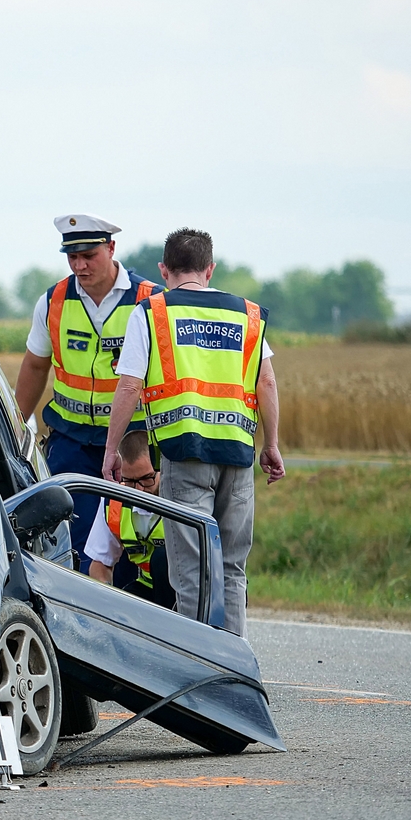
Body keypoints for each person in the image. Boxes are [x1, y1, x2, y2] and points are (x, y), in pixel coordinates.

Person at [103, 228, 285, 637]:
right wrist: (270, 445)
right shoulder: (247, 315)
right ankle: (234, 669)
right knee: (232, 570)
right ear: (210, 269)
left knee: (192, 573)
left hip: (185, 457)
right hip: (238, 456)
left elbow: (130, 386)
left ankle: (198, 674)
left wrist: (112, 449)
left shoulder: (152, 312)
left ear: (164, 270)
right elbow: (267, 383)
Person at [15, 214, 162, 571]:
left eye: (89, 255)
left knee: (133, 538)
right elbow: (36, 366)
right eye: (71, 256)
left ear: (111, 249)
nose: (79, 265)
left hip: (135, 442)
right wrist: (16, 425)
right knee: (75, 543)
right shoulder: (53, 301)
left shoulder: (151, 301)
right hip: (72, 443)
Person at [84, 430, 174, 609]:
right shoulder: (113, 503)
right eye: (130, 482)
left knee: (162, 558)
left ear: (162, 469)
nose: (139, 491)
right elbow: (99, 565)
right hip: (148, 587)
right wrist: (107, 601)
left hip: (182, 592)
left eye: (146, 479)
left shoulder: (181, 496)